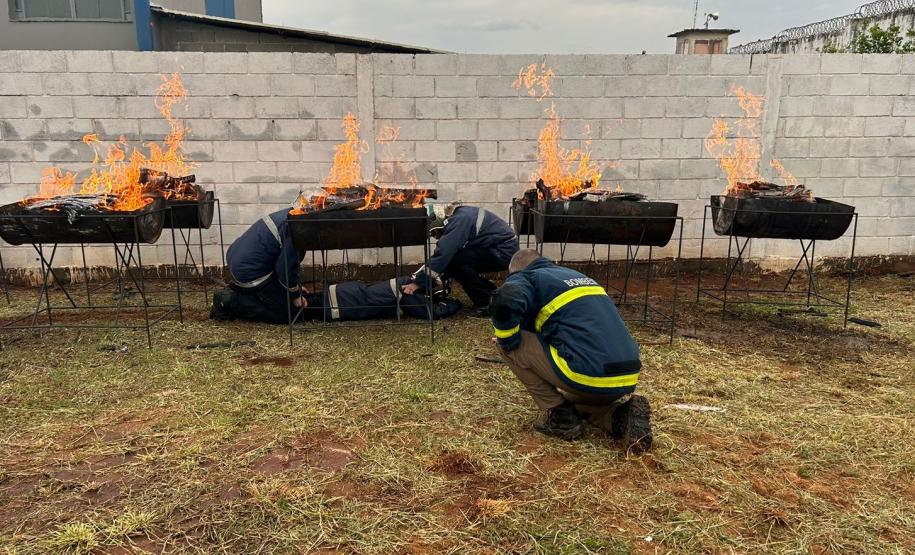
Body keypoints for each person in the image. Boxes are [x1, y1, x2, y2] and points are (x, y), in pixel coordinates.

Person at [489, 249, 652, 454]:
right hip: (626, 376)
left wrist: (507, 338)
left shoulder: (527, 277)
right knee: (572, 399)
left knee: (505, 344)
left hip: (588, 372)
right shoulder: (577, 277)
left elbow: (506, 298)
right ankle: (620, 417)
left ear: (516, 271)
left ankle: (561, 418)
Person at [405, 203, 518, 315]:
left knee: (454, 263)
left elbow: (443, 253)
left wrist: (419, 283)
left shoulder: (459, 221)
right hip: (499, 248)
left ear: (438, 221)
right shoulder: (460, 215)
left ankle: (485, 303)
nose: (436, 236)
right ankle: (491, 295)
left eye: (435, 232)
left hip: (502, 252)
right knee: (456, 261)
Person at [210, 208, 305, 324]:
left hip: (240, 257)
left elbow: (286, 260)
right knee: (288, 313)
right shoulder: (300, 230)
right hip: (251, 271)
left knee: (283, 298)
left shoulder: (294, 213)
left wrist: (295, 287)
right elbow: (284, 269)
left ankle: (243, 292)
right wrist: (295, 295)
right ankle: (229, 302)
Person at [296, 276, 461, 322]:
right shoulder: (406, 292)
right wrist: (456, 303)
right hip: (340, 305)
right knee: (303, 309)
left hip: (342, 294)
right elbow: (432, 312)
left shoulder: (403, 282)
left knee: (308, 303)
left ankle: (294, 296)